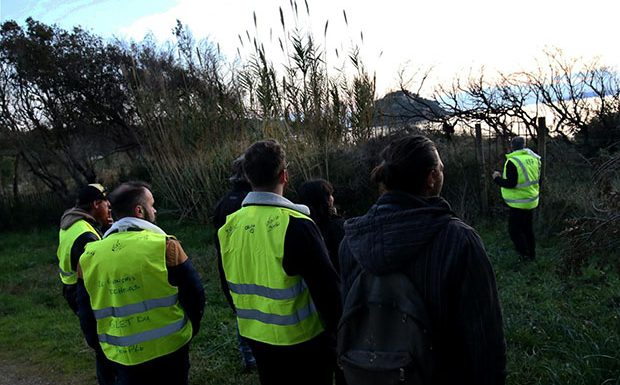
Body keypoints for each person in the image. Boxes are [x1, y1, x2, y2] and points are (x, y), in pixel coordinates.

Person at [339, 135, 506, 385]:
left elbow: (350, 322)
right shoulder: (459, 241)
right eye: (440, 168)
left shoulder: (350, 242)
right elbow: (484, 341)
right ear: (431, 178)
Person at [216, 140, 342, 385]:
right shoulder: (297, 224)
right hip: (305, 343)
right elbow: (329, 292)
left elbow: (226, 285)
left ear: (247, 176)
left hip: (257, 338)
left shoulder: (229, 225)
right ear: (284, 175)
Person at [76, 181, 205, 385]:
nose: (154, 209)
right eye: (151, 204)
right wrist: (189, 330)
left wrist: (101, 348)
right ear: (139, 211)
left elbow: (85, 313)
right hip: (171, 350)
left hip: (122, 357)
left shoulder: (89, 257)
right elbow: (195, 296)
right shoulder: (165, 246)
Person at [56, 183, 116, 385]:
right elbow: (96, 273)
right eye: (105, 201)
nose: (109, 205)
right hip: (83, 293)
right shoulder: (86, 235)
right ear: (96, 203)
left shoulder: (71, 222)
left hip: (71, 288)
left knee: (102, 346)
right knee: (105, 347)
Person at [213, 155, 256, 371]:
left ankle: (247, 356)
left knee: (241, 310)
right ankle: (252, 355)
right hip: (251, 265)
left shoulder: (223, 203)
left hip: (230, 266)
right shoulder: (251, 201)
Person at [492, 136, 541, 261]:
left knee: (514, 231)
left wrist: (497, 178)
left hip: (518, 203)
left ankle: (524, 256)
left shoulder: (512, 161)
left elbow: (511, 183)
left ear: (512, 146)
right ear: (524, 145)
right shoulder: (533, 158)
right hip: (531, 200)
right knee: (528, 229)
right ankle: (532, 255)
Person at [297, 179, 345, 272]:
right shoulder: (339, 227)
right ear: (324, 200)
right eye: (329, 195)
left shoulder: (300, 228)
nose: (332, 198)